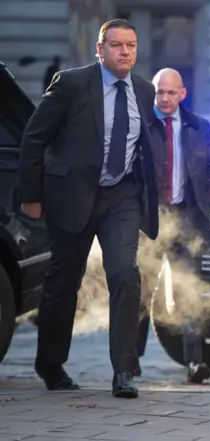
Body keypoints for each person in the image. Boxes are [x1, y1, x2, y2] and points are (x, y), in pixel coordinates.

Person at [17, 19, 159, 399]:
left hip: (121, 198)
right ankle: (50, 363)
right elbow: (34, 137)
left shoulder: (144, 91)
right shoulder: (72, 83)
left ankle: (124, 371)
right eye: (116, 45)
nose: (125, 52)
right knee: (64, 283)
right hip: (73, 195)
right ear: (100, 49)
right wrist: (30, 194)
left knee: (126, 275)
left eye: (131, 45)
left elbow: (146, 146)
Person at [134, 68, 210, 384]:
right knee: (140, 289)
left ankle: (195, 362)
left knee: (189, 289)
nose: (166, 98)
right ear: (153, 93)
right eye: (160, 92)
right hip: (149, 219)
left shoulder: (199, 127)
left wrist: (207, 207)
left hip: (186, 219)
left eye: (172, 93)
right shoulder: (142, 125)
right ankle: (131, 360)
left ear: (182, 94)